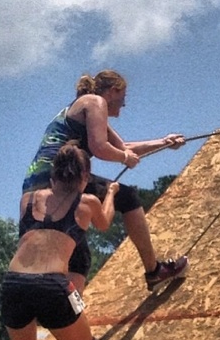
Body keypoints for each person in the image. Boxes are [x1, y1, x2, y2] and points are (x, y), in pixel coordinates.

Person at [22, 69, 189, 293]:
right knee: (127, 197)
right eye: (123, 97)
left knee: (77, 255)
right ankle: (154, 270)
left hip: (36, 184)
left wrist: (164, 142)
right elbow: (100, 148)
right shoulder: (95, 102)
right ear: (112, 91)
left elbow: (124, 147)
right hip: (61, 178)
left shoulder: (85, 107)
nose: (124, 104)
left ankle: (65, 310)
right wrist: (124, 158)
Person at [0, 143, 119, 340]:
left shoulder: (27, 200)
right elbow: (104, 223)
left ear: (53, 176)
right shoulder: (87, 202)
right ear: (84, 177)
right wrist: (111, 193)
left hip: (14, 283)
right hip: (52, 284)